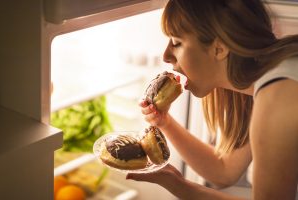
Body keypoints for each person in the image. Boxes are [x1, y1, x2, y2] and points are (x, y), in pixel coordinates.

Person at [126, 0, 298, 199]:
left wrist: (182, 188)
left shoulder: (277, 98)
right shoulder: (270, 78)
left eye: (176, 43)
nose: (166, 56)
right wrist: (164, 123)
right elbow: (224, 170)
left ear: (219, 49)